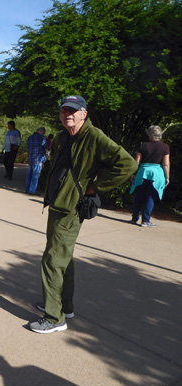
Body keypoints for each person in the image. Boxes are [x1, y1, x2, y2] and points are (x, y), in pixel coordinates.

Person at [30, 95, 137, 334]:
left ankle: (54, 317)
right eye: (64, 110)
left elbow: (128, 164)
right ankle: (63, 306)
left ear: (83, 114)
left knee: (52, 260)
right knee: (62, 257)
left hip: (71, 207)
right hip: (57, 204)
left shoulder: (94, 136)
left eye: (73, 110)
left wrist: (94, 188)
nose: (68, 114)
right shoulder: (61, 137)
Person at [129, 126, 170, 227]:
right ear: (160, 134)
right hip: (156, 174)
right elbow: (166, 164)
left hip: (142, 172)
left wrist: (134, 173)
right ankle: (146, 220)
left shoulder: (143, 145)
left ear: (149, 134)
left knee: (139, 195)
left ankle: (134, 218)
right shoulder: (165, 147)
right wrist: (167, 177)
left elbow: (137, 161)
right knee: (150, 197)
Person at [25, 127, 49, 194]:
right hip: (38, 159)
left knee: (29, 175)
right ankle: (32, 190)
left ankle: (27, 189)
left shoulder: (30, 137)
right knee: (35, 176)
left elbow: (27, 146)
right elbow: (46, 146)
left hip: (30, 158)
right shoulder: (42, 138)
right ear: (42, 132)